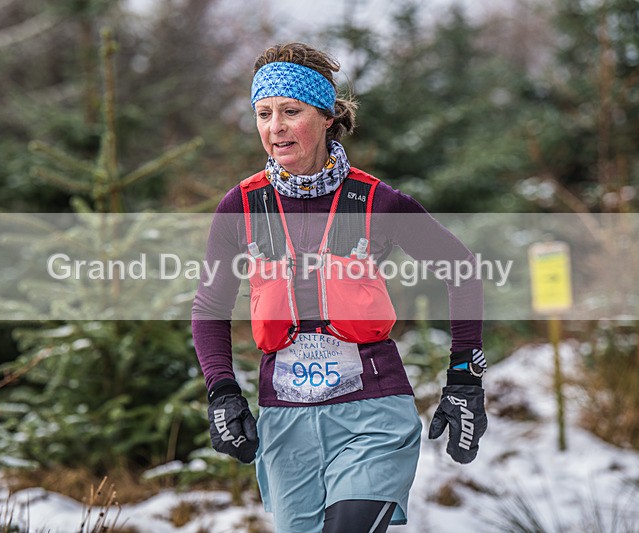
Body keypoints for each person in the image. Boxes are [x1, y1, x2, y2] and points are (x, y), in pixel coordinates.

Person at [192, 42, 487, 533]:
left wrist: (464, 376)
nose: (275, 127)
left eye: (291, 111)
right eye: (263, 114)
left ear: (327, 116)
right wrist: (222, 391)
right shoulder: (240, 206)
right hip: (285, 421)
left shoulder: (376, 201)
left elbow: (462, 269)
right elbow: (210, 304)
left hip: (372, 411)